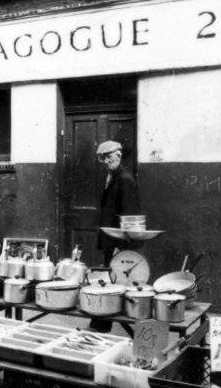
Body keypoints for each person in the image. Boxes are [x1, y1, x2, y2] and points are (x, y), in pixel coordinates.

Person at [89, 140, 141, 333]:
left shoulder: (125, 179)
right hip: (110, 239)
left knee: (114, 282)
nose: (106, 162)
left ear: (119, 155)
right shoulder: (112, 176)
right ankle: (101, 324)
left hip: (119, 242)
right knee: (110, 281)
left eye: (108, 157)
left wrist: (121, 245)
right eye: (102, 159)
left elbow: (130, 216)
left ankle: (101, 325)